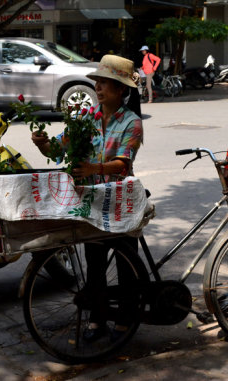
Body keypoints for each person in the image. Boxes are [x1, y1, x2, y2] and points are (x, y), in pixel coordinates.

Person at [31, 54, 143, 342]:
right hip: (92, 203)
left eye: (106, 83)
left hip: (119, 203)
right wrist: (44, 144)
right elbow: (57, 150)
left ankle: (126, 319)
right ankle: (97, 318)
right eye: (99, 82)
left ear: (122, 90)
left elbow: (123, 164)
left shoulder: (132, 123)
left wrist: (95, 168)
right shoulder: (85, 118)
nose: (99, 87)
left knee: (126, 264)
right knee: (94, 264)